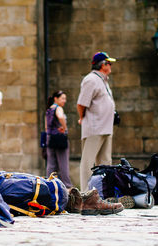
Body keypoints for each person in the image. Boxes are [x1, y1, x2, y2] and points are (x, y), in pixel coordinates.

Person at [77, 52, 117, 191]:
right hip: (95, 127)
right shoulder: (91, 80)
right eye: (109, 63)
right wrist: (82, 118)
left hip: (106, 127)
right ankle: (85, 193)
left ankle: (104, 193)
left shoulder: (103, 80)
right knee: (88, 162)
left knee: (105, 163)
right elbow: (81, 103)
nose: (111, 66)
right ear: (102, 65)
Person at [45, 91, 73, 189]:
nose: (64, 101)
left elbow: (46, 127)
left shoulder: (49, 110)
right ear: (55, 99)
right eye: (62, 98)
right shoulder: (58, 108)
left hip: (50, 137)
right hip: (59, 137)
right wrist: (64, 127)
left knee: (51, 163)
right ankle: (67, 186)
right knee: (63, 163)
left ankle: (49, 184)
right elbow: (60, 117)